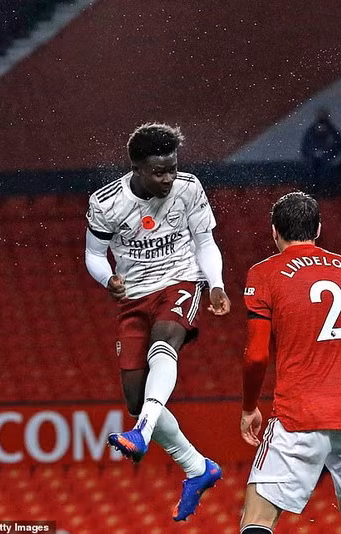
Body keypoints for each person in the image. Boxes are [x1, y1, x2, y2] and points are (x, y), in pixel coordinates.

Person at [84, 123, 231, 521]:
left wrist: (216, 283)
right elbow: (94, 255)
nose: (168, 178)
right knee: (136, 399)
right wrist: (108, 279)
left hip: (180, 281)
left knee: (164, 342)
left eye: (172, 169)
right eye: (159, 172)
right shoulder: (106, 203)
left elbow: (204, 241)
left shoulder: (189, 188)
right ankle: (197, 468)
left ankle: (142, 434)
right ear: (136, 168)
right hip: (133, 298)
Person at [239, 191, 341, 534]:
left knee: (257, 519)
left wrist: (249, 407)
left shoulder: (264, 273)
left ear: (274, 231)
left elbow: (256, 355)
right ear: (318, 229)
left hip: (298, 415)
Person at [301, 108, 341, 197]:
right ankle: (314, 192)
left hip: (330, 164)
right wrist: (311, 156)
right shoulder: (311, 132)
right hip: (314, 164)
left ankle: (328, 193)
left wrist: (334, 158)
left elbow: (339, 148)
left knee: (329, 175)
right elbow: (306, 147)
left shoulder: (333, 132)